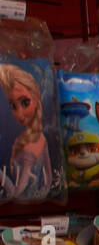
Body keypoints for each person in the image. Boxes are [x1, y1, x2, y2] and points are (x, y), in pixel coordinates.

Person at [1, 64, 53, 201]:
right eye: (13, 106)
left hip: (28, 204)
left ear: (36, 98)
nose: (20, 114)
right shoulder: (21, 140)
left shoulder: (37, 141)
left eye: (25, 102)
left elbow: (21, 187)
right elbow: (48, 182)